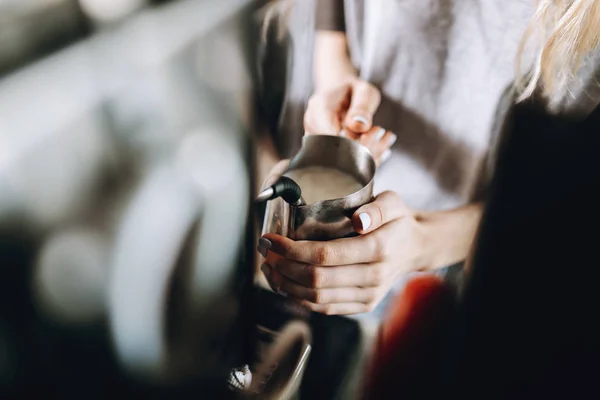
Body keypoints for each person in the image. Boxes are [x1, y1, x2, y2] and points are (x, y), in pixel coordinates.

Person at [257, 0, 600, 316]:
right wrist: (335, 71)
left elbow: (565, 203)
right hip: (293, 146)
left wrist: (420, 244)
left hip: (438, 254)